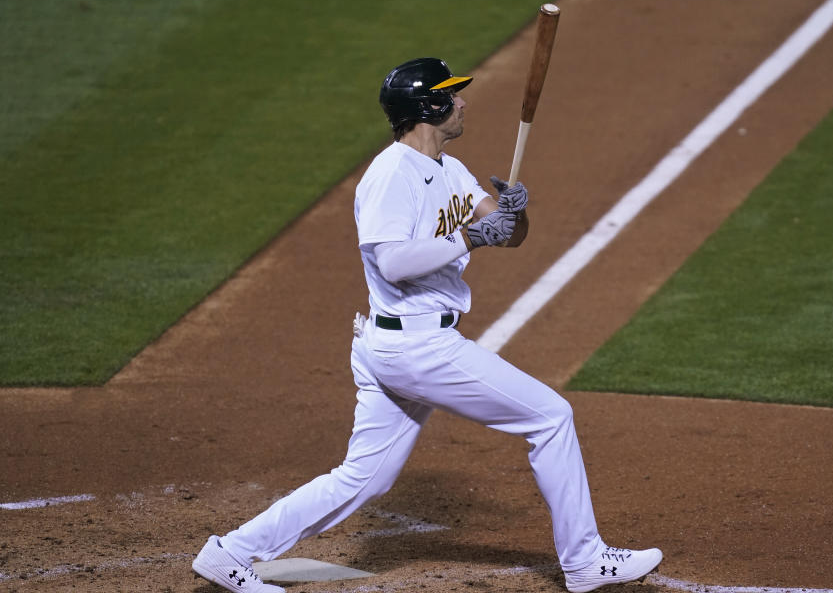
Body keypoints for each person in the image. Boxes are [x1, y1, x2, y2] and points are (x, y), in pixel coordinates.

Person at [191, 57, 662, 593]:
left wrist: (515, 212)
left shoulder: (450, 169)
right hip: (417, 346)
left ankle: (230, 552)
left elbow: (505, 234)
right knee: (551, 417)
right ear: (429, 107)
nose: (462, 102)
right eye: (451, 95)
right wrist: (470, 238)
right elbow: (392, 261)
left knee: (365, 478)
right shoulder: (390, 175)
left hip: (396, 343)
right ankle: (584, 560)